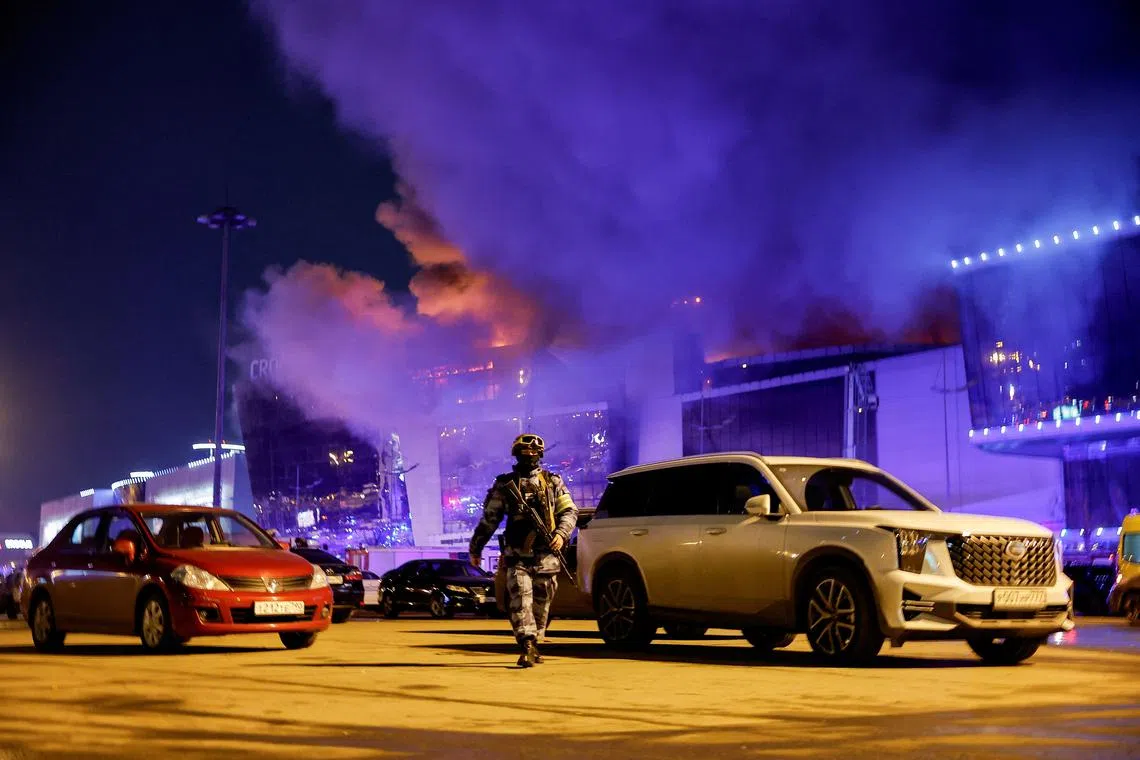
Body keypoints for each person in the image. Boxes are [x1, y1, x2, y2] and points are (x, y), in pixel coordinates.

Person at [469, 433, 578, 667]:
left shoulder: (553, 482)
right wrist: (476, 548)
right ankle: (527, 644)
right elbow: (490, 519)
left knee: (541, 605)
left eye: (533, 453)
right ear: (517, 455)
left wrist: (561, 534)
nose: (529, 456)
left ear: (540, 455)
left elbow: (569, 512)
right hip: (518, 555)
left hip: (547, 556)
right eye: (525, 452)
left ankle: (535, 642)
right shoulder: (505, 485)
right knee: (520, 600)